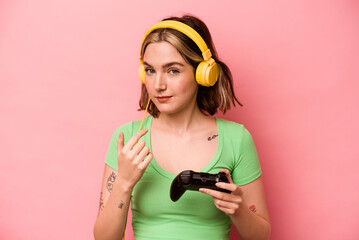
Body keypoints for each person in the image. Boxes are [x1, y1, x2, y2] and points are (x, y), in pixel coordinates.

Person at [93, 14, 271, 240]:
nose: (158, 85)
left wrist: (238, 210)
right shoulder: (128, 139)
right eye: (150, 70)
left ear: (203, 74)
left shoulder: (237, 139)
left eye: (173, 70)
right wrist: (123, 183)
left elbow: (261, 236)